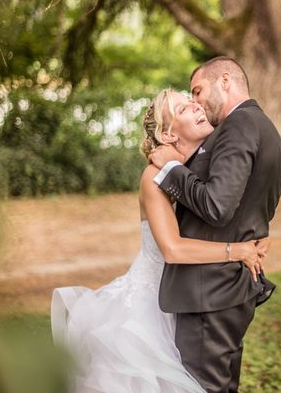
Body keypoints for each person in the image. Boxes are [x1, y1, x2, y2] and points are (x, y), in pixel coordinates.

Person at [51, 88, 268, 392]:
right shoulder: (153, 178)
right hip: (150, 310)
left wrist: (258, 235)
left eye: (193, 102)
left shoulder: (195, 170)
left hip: (191, 299)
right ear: (167, 135)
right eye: (183, 108)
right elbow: (173, 248)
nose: (196, 107)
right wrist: (237, 250)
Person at [148, 56, 281, 392]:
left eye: (197, 91)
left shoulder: (238, 126)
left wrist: (171, 169)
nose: (195, 101)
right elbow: (252, 199)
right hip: (223, 290)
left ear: (224, 81)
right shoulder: (263, 127)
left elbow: (216, 205)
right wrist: (255, 234)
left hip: (209, 292)